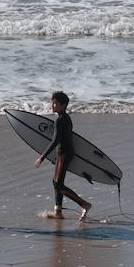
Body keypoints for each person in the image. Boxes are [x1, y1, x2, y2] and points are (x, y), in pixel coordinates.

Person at [34, 90, 92, 221]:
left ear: (63, 105)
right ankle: (58, 212)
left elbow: (55, 141)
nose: (52, 106)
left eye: (55, 103)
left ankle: (84, 204)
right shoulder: (67, 118)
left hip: (63, 154)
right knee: (56, 183)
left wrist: (42, 157)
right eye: (52, 103)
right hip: (66, 153)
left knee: (58, 185)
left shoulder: (59, 120)